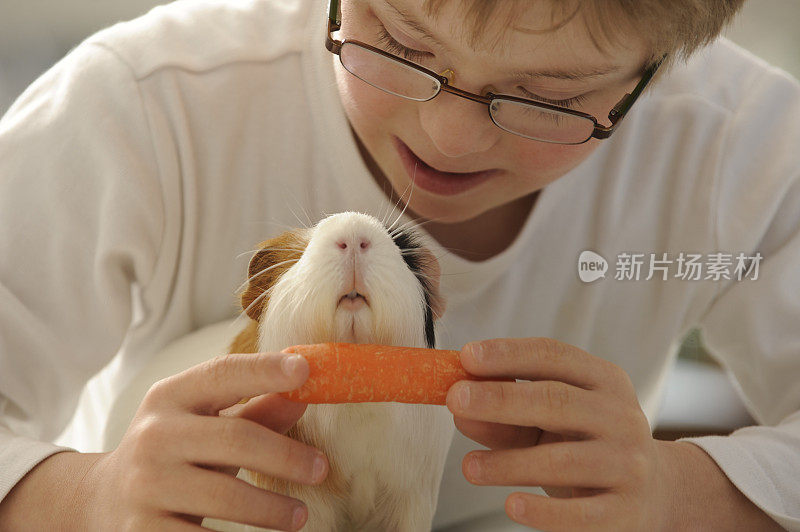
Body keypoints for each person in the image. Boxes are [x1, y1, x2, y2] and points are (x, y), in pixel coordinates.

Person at [0, 0, 798, 529]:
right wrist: (91, 498)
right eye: (401, 45)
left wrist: (680, 493)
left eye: (546, 98)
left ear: (656, 73)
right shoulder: (142, 105)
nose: (447, 137)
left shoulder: (750, 150)